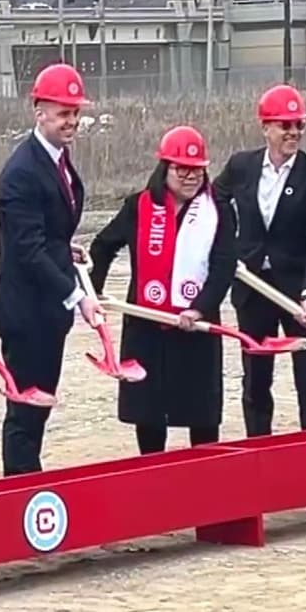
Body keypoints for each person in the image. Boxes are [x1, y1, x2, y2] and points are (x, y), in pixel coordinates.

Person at [87, 126, 237, 454]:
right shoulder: (138, 207)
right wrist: (92, 293)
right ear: (165, 168)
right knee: (150, 413)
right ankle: (152, 479)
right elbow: (102, 247)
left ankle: (206, 476)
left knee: (201, 413)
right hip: (147, 327)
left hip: (195, 328)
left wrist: (199, 308)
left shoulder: (219, 212)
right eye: (181, 168)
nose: (190, 177)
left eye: (197, 169)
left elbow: (224, 266)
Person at [0, 63, 104, 476]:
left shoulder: (58, 161)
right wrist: (76, 295)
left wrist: (62, 246)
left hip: (46, 312)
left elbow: (45, 234)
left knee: (41, 405)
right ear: (39, 112)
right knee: (25, 409)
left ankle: (28, 481)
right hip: (24, 311)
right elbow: (28, 249)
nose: (71, 121)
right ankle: (19, 491)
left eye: (74, 113)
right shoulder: (21, 172)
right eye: (62, 112)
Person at [213, 84, 306, 437]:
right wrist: (232, 243)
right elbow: (216, 198)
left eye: (298, 125)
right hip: (253, 288)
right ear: (265, 126)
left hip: (300, 289)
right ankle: (259, 450)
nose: (293, 132)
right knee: (255, 379)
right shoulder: (242, 166)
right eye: (285, 125)